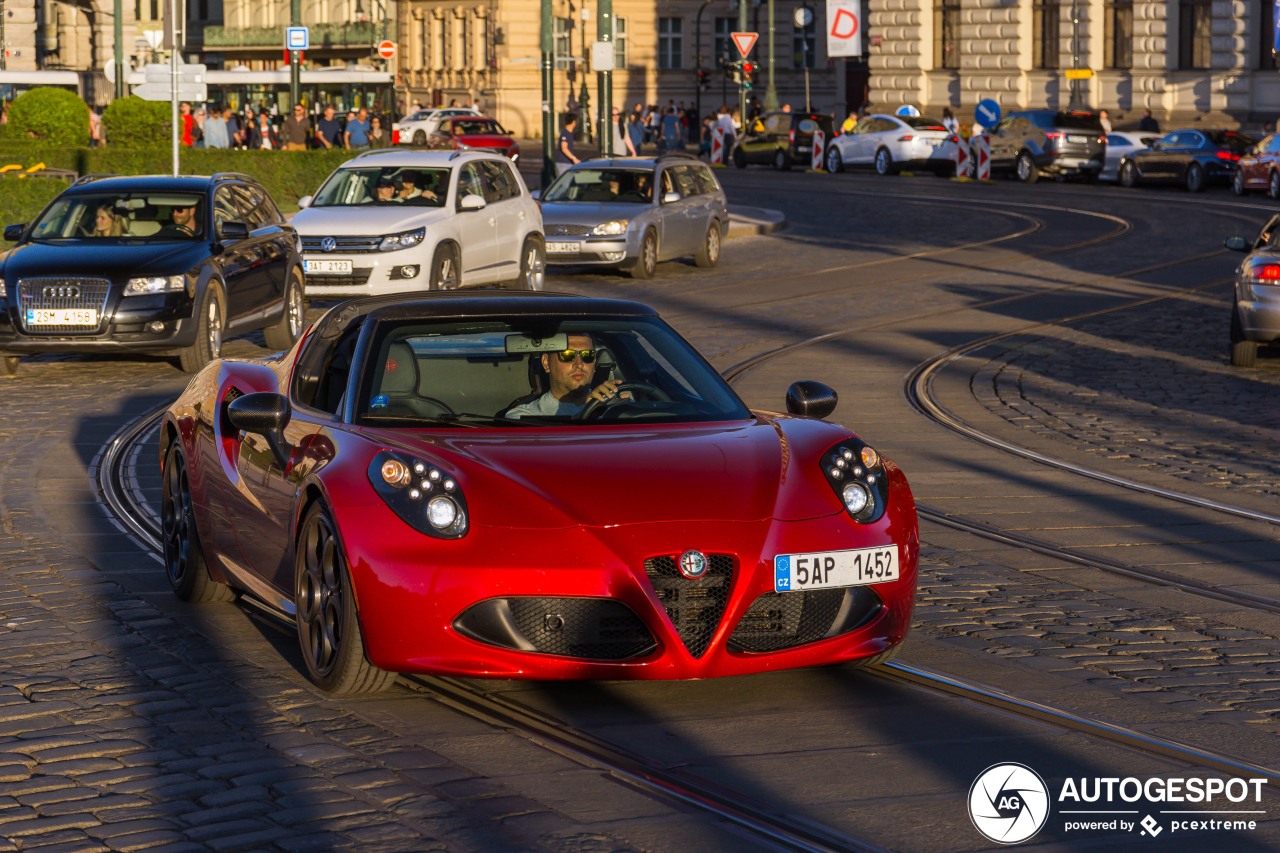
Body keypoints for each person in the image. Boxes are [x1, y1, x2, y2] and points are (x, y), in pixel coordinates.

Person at [506, 335, 627, 419]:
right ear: (546, 363)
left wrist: (624, 409)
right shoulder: (522, 416)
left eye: (587, 355)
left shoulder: (613, 407)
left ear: (594, 363)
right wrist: (587, 412)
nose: (579, 364)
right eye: (567, 355)